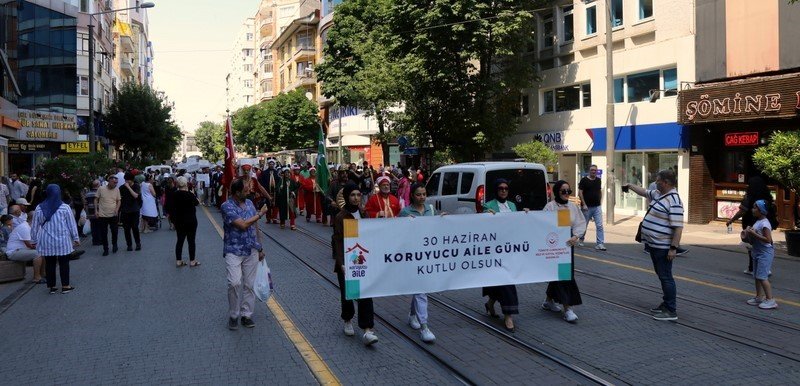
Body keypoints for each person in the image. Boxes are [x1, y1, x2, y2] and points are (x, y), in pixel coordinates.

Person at [625, 170, 684, 321]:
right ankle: (666, 304)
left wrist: (673, 248)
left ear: (666, 182)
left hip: (663, 247)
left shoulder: (674, 200)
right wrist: (630, 185)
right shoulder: (659, 194)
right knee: (662, 276)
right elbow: (644, 192)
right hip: (654, 245)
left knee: (666, 277)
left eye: (657, 181)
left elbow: (678, 227)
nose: (655, 183)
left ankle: (671, 310)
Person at [332, 183, 378, 345]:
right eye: (352, 195)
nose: (356, 198)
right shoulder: (340, 217)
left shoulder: (364, 214)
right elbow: (337, 241)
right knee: (348, 293)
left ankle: (367, 329)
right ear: (346, 197)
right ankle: (347, 319)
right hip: (347, 262)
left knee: (366, 292)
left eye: (358, 195)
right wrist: (341, 263)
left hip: (362, 261)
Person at [221, 178, 268, 330]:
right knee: (234, 282)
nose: (248, 192)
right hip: (233, 250)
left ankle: (246, 314)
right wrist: (260, 214)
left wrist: (260, 247)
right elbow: (242, 224)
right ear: (236, 192)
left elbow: (255, 226)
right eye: (245, 190)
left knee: (249, 284)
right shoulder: (226, 206)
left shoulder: (249, 203)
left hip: (251, 249)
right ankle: (233, 314)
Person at [542, 180, 587, 323]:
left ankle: (549, 301)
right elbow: (540, 223)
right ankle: (568, 308)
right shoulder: (550, 207)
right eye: (563, 191)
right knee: (564, 275)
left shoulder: (573, 207)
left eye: (569, 191)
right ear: (557, 192)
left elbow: (580, 222)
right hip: (553, 248)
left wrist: (576, 236)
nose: (567, 194)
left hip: (567, 247)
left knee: (561, 275)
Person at [398, 183, 437, 343]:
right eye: (418, 194)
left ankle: (412, 315)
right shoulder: (405, 212)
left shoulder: (431, 209)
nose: (422, 197)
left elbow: (437, 228)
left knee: (419, 288)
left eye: (424, 194)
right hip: (413, 256)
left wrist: (444, 219)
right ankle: (424, 327)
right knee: (421, 290)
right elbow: (398, 234)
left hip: (428, 255)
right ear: (412, 195)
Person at [482, 179, 520, 332]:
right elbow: (481, 224)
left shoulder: (512, 206)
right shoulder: (488, 205)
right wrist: (486, 215)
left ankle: (491, 304)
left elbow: (518, 224)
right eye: (500, 188)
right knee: (504, 281)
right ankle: (508, 315)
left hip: (510, 250)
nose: (503, 191)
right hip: (495, 250)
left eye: (506, 188)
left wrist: (525, 215)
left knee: (504, 281)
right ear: (496, 190)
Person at [31, 184, 80, 294]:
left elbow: (34, 226)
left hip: (46, 240)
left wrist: (33, 240)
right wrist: (76, 238)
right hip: (62, 240)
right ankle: (65, 286)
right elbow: (71, 224)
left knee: (50, 263)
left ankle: (52, 287)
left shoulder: (39, 207)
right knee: (64, 263)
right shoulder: (65, 207)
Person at [725, 176, 778, 274]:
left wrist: (731, 220)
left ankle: (753, 267)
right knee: (765, 244)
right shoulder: (767, 196)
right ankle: (763, 267)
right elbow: (773, 208)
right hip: (765, 223)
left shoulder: (749, 197)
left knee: (752, 245)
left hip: (751, 223)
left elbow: (741, 211)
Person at [743, 200, 778, 309]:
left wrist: (753, 233)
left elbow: (768, 240)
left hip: (765, 253)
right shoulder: (758, 222)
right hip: (757, 252)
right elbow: (754, 239)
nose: (752, 210)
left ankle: (770, 299)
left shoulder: (765, 223)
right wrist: (748, 235)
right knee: (757, 276)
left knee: (763, 277)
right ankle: (759, 297)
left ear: (761, 211)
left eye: (755, 208)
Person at [6, 211, 45, 284]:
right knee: (38, 253)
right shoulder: (24, 227)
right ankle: (37, 277)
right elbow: (30, 245)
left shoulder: (30, 226)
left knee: (42, 252)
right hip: (13, 252)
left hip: (21, 250)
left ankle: (43, 275)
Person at [171, 177, 200, 267]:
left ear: (177, 184)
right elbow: (197, 203)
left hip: (179, 221)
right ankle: (192, 261)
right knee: (191, 241)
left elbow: (172, 208)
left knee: (180, 240)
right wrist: (193, 194)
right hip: (191, 220)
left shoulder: (174, 194)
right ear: (186, 184)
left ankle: (179, 261)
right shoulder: (190, 194)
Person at [577, 165, 605, 251]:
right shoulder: (584, 180)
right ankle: (581, 239)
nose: (593, 171)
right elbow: (580, 193)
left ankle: (600, 243)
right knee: (584, 225)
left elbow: (599, 191)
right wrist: (584, 204)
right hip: (586, 207)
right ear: (589, 171)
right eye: (592, 170)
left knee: (600, 225)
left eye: (595, 170)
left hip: (597, 207)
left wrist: (600, 203)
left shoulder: (598, 180)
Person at [95, 175, 121, 256]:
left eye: (116, 183)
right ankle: (105, 249)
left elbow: (119, 200)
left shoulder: (117, 189)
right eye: (114, 182)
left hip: (113, 215)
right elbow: (96, 199)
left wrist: (117, 209)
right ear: (109, 181)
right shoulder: (101, 188)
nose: (115, 184)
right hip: (102, 215)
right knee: (104, 233)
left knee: (114, 231)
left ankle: (114, 245)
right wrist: (96, 211)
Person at [119, 173, 142, 252]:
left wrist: (128, 187)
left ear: (131, 180)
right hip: (125, 210)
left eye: (127, 180)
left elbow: (136, 196)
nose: (126, 181)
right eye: (125, 180)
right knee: (126, 229)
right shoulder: (122, 188)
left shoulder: (136, 186)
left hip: (134, 210)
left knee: (135, 227)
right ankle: (129, 245)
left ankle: (138, 243)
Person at [258, 160, 281, 224]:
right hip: (267, 191)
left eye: (272, 164)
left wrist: (277, 188)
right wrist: (264, 190)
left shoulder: (276, 173)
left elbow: (279, 181)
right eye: (270, 164)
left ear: (274, 165)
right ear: (268, 164)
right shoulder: (264, 173)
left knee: (275, 205)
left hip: (275, 192)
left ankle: (274, 218)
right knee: (268, 205)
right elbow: (262, 182)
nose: (271, 165)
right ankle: (268, 218)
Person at [84, 180, 101, 246]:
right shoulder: (99, 193)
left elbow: (85, 204)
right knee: (99, 226)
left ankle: (94, 241)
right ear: (98, 185)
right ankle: (100, 240)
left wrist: (87, 213)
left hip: (90, 213)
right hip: (99, 212)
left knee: (93, 227)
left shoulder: (87, 194)